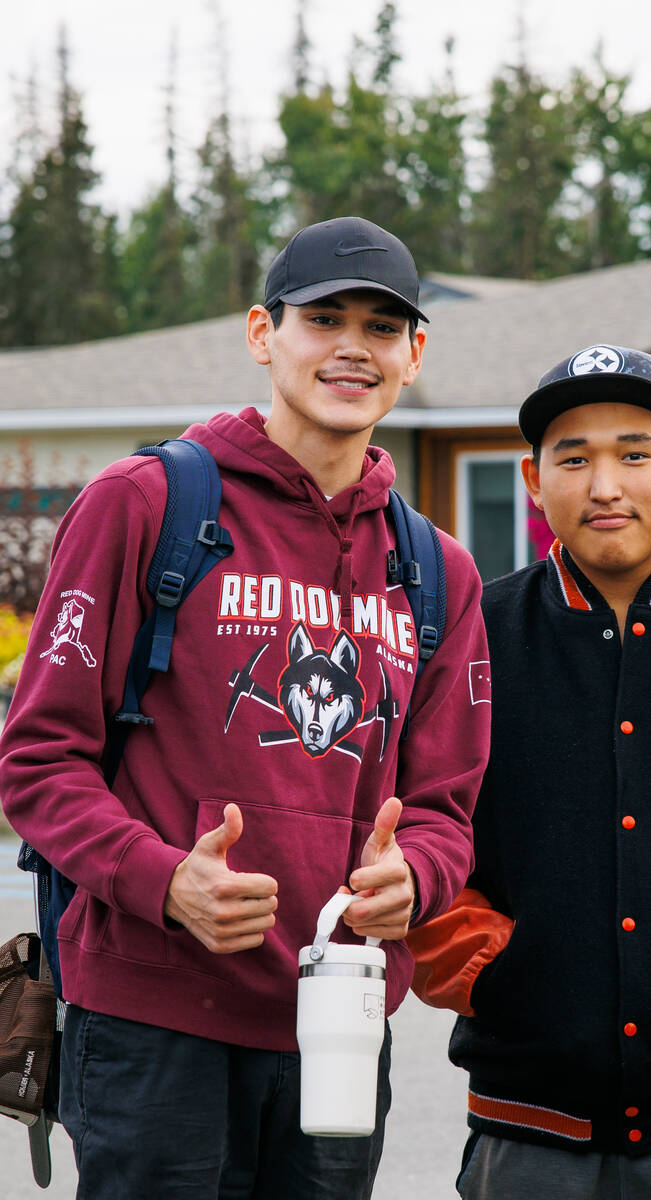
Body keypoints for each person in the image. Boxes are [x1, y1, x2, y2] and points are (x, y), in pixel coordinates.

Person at [0, 216, 490, 1199]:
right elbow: (38, 758)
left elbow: (446, 807)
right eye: (324, 318)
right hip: (153, 1024)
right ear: (264, 333)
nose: (354, 345)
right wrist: (163, 878)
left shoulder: (438, 571)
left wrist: (419, 876)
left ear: (413, 355)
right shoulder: (145, 506)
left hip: (340, 1031)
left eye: (383, 326)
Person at [405, 344, 651, 1199]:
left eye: (636, 453)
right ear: (533, 479)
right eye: (574, 458)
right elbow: (415, 824)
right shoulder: (469, 634)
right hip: (525, 1127)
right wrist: (487, 969)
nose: (605, 485)